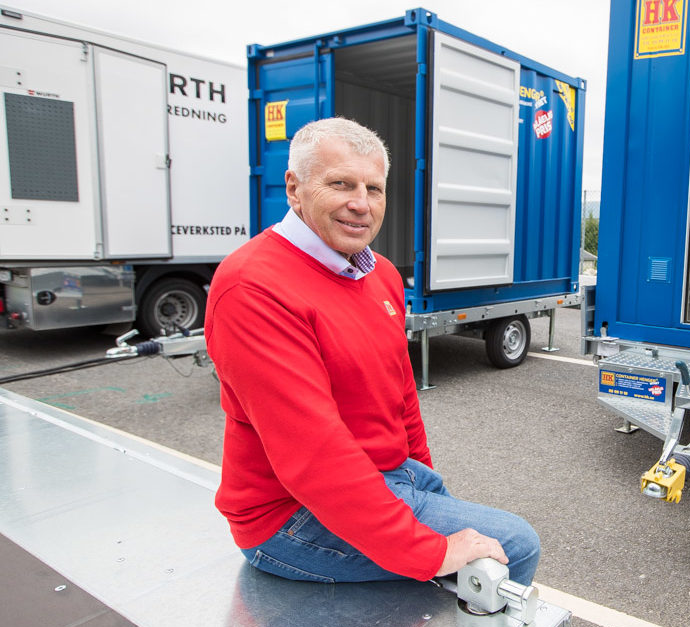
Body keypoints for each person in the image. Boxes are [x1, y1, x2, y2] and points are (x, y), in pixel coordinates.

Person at [204, 117, 539, 585]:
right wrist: (426, 551)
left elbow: (399, 390)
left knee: (466, 533)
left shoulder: (378, 273)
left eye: (374, 189)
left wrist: (420, 472)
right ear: (294, 189)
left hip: (385, 473)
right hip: (288, 514)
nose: (360, 205)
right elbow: (313, 455)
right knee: (514, 545)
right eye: (340, 184)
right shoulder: (253, 287)